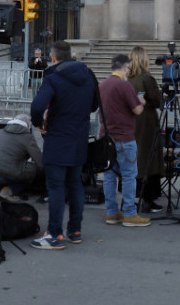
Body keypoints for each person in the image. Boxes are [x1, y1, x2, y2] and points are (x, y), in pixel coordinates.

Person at [29, 40, 99, 250]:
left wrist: (38, 123)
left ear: (54, 57)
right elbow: (95, 104)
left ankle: (55, 234)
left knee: (56, 187)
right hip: (79, 137)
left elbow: (37, 105)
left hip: (58, 137)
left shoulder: (54, 77)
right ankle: (74, 230)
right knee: (75, 183)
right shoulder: (88, 75)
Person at [99, 54, 149, 227]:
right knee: (129, 176)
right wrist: (141, 101)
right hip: (123, 137)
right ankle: (129, 213)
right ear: (125, 68)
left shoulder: (103, 85)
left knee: (109, 175)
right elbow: (137, 110)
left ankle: (111, 213)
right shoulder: (124, 85)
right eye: (128, 68)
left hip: (106, 138)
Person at [129, 46, 164, 213]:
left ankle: (133, 196)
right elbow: (157, 100)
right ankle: (148, 197)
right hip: (146, 121)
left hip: (131, 120)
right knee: (148, 157)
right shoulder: (146, 78)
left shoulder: (128, 78)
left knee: (135, 157)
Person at [0, 114, 44, 202]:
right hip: (6, 175)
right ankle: (8, 190)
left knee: (1, 170)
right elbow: (39, 161)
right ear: (27, 126)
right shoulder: (27, 137)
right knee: (28, 174)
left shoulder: (1, 132)